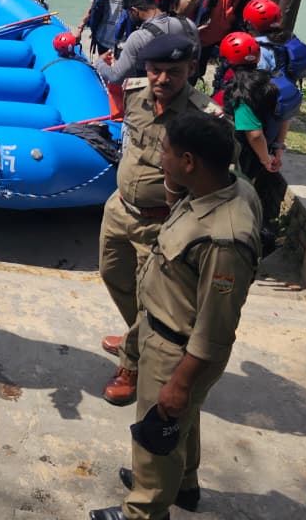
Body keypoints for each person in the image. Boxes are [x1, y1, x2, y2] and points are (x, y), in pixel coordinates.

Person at [88, 113, 260, 520]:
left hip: (178, 349)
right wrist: (171, 184)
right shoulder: (215, 189)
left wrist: (181, 382)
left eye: (164, 152)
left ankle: (145, 508)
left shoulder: (224, 239)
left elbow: (216, 327)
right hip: (159, 325)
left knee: (158, 431)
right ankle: (183, 484)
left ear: (189, 161)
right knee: (183, 420)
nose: (158, 158)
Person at [98, 34, 225, 407]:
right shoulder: (135, 95)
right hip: (120, 209)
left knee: (151, 297)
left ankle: (133, 364)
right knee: (114, 275)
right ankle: (139, 338)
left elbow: (218, 175)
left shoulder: (203, 118)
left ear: (191, 69)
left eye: (174, 71)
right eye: (155, 70)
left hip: (164, 222)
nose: (163, 79)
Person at [216, 32, 288, 230]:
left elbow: (254, 134)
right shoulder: (270, 81)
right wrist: (278, 148)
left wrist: (266, 160)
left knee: (234, 197)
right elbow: (284, 117)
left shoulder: (241, 91)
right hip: (264, 149)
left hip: (245, 156)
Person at [180, 0, 266, 75]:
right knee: (193, 73)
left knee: (231, 77)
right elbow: (182, 11)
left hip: (234, 43)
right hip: (202, 38)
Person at [96, 0, 200, 85]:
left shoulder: (139, 37)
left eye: (129, 14)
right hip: (186, 91)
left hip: (158, 93)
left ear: (134, 11)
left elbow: (116, 77)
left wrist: (99, 62)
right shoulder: (188, 24)